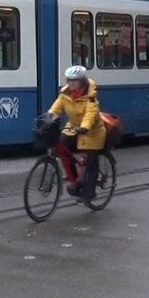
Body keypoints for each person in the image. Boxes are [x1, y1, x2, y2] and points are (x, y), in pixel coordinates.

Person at [46, 65, 106, 203]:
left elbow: (91, 114)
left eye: (75, 81)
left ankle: (89, 192)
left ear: (82, 81)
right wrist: (49, 117)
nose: (71, 83)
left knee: (91, 161)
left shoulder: (90, 96)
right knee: (60, 147)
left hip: (92, 131)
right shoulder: (65, 94)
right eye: (69, 80)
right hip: (73, 127)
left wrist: (85, 127)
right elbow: (56, 108)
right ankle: (75, 180)